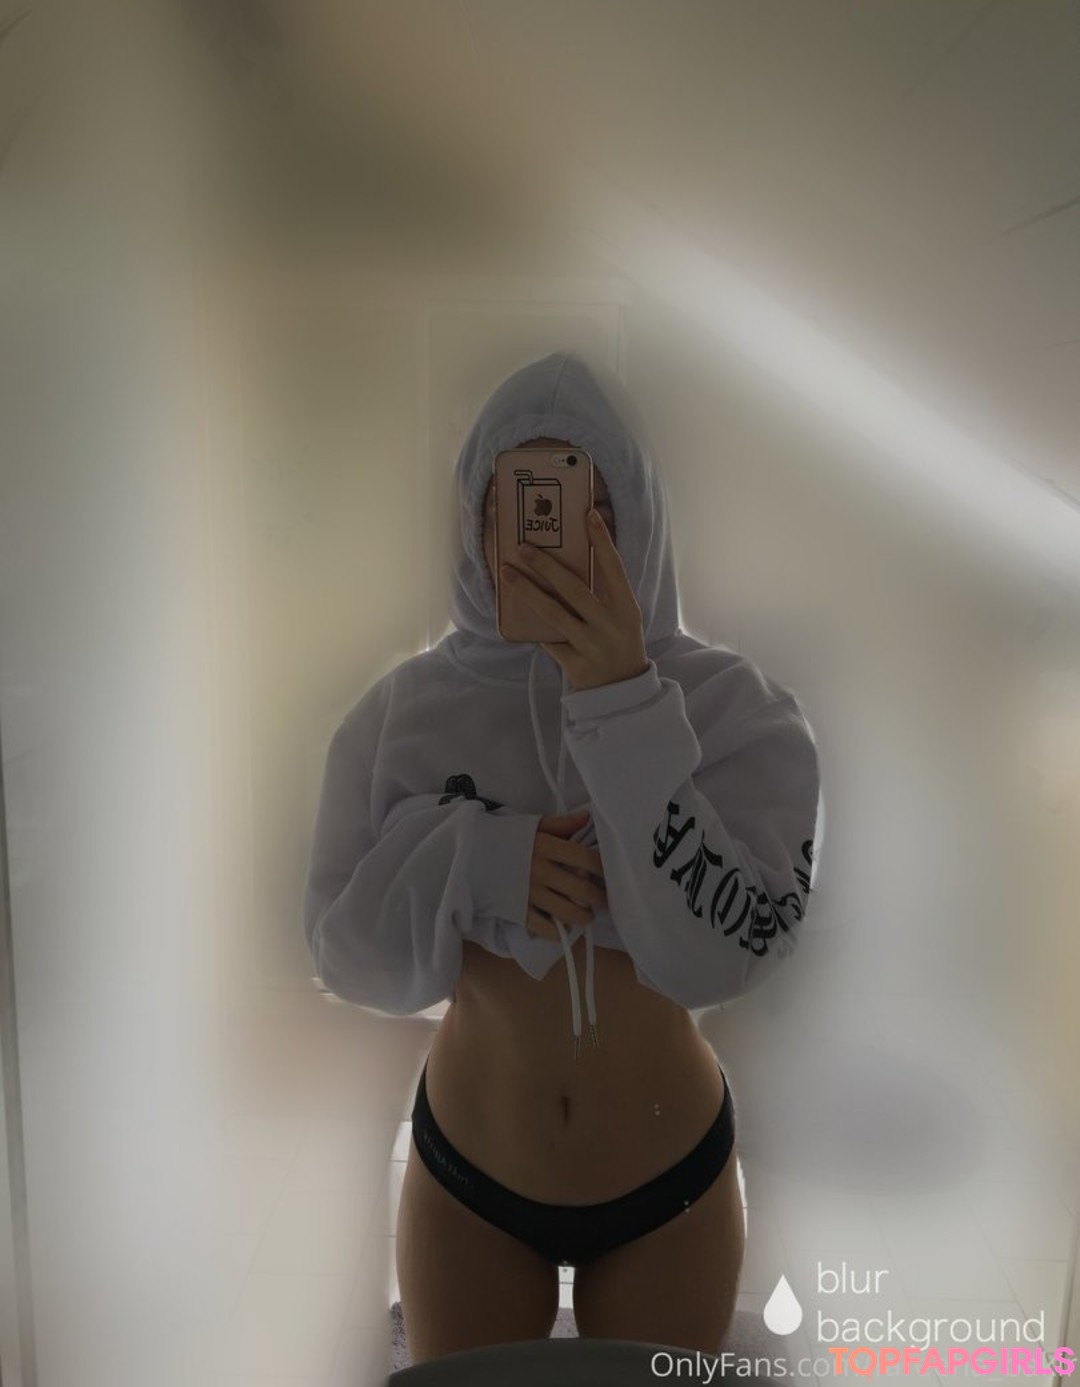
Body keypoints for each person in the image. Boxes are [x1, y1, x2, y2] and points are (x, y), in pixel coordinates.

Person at [302, 349, 821, 1364]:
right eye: (521, 506)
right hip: (470, 1176)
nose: (549, 537)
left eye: (583, 508)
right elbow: (346, 955)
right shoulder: (400, 718)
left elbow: (731, 953)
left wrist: (625, 701)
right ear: (475, 522)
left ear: (637, 520)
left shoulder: (737, 712)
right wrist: (475, 860)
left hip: (671, 1181)